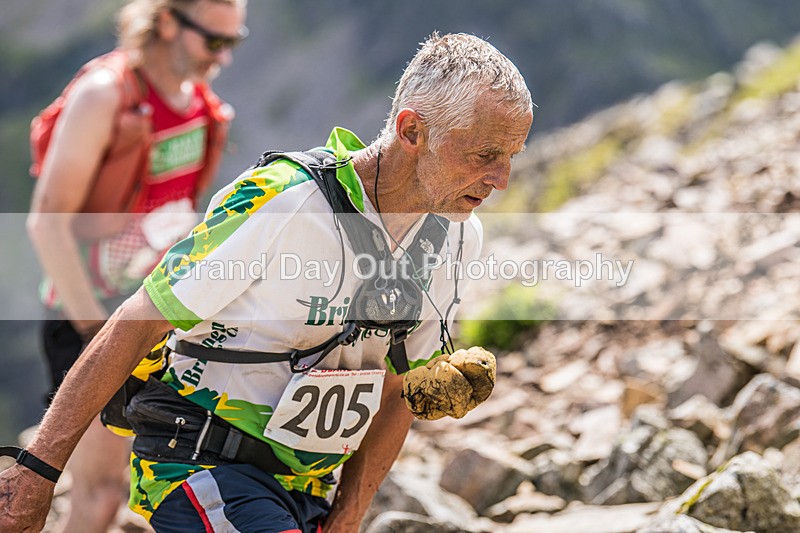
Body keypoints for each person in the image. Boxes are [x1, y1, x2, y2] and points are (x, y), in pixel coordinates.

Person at [1, 32, 533, 533]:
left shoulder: (456, 237)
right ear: (412, 130)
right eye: (485, 154)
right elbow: (138, 320)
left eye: (512, 156)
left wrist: (345, 521)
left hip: (307, 487)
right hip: (198, 459)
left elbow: (396, 389)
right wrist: (35, 472)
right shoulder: (285, 200)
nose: (502, 179)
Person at [24, 0, 247, 531]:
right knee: (101, 494)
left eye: (232, 43)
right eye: (214, 42)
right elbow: (47, 223)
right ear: (167, 21)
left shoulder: (199, 104)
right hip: (91, 316)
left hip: (151, 315)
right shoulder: (105, 96)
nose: (224, 58)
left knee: (139, 484)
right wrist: (96, 337)